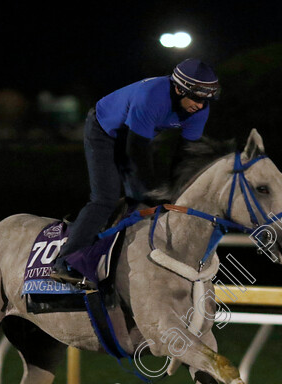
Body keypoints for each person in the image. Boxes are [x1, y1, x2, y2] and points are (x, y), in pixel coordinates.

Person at [50, 58, 221, 287]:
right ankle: (65, 261)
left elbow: (184, 156)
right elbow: (135, 151)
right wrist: (151, 188)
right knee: (106, 199)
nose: (200, 106)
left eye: (206, 100)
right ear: (179, 88)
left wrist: (174, 192)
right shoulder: (152, 97)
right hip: (105, 132)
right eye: (197, 98)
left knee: (147, 200)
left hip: (137, 136)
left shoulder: (200, 111)